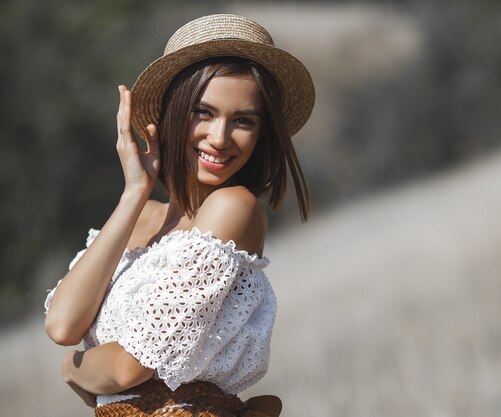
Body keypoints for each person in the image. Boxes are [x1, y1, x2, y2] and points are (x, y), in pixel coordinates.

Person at [43, 13, 314, 417]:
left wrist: (72, 369)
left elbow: (127, 367)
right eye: (202, 113)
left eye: (243, 120)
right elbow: (62, 326)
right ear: (172, 113)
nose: (219, 138)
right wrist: (134, 192)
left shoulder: (233, 209)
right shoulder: (140, 217)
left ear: (261, 133)